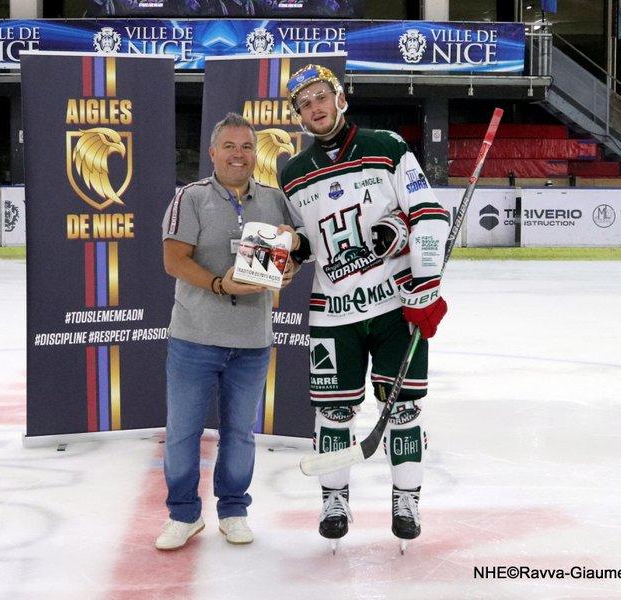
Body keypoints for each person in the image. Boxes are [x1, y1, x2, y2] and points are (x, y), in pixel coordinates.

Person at [277, 65, 450, 550]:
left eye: (321, 96)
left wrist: (426, 284)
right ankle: (334, 500)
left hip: (394, 307)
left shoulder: (387, 146)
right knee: (333, 413)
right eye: (304, 103)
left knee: (403, 409)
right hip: (333, 313)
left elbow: (429, 213)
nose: (315, 107)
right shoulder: (292, 174)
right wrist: (289, 254)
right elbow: (306, 241)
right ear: (298, 116)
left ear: (340, 98)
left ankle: (406, 499)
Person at [157, 113, 296, 551]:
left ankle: (233, 510)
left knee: (240, 433)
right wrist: (220, 284)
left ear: (256, 154)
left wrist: (289, 265)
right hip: (194, 338)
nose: (239, 155)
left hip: (252, 341)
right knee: (183, 432)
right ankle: (183, 514)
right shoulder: (191, 197)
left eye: (247, 147)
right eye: (230, 147)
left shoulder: (275, 200)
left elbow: (298, 248)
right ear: (213, 152)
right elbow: (174, 261)